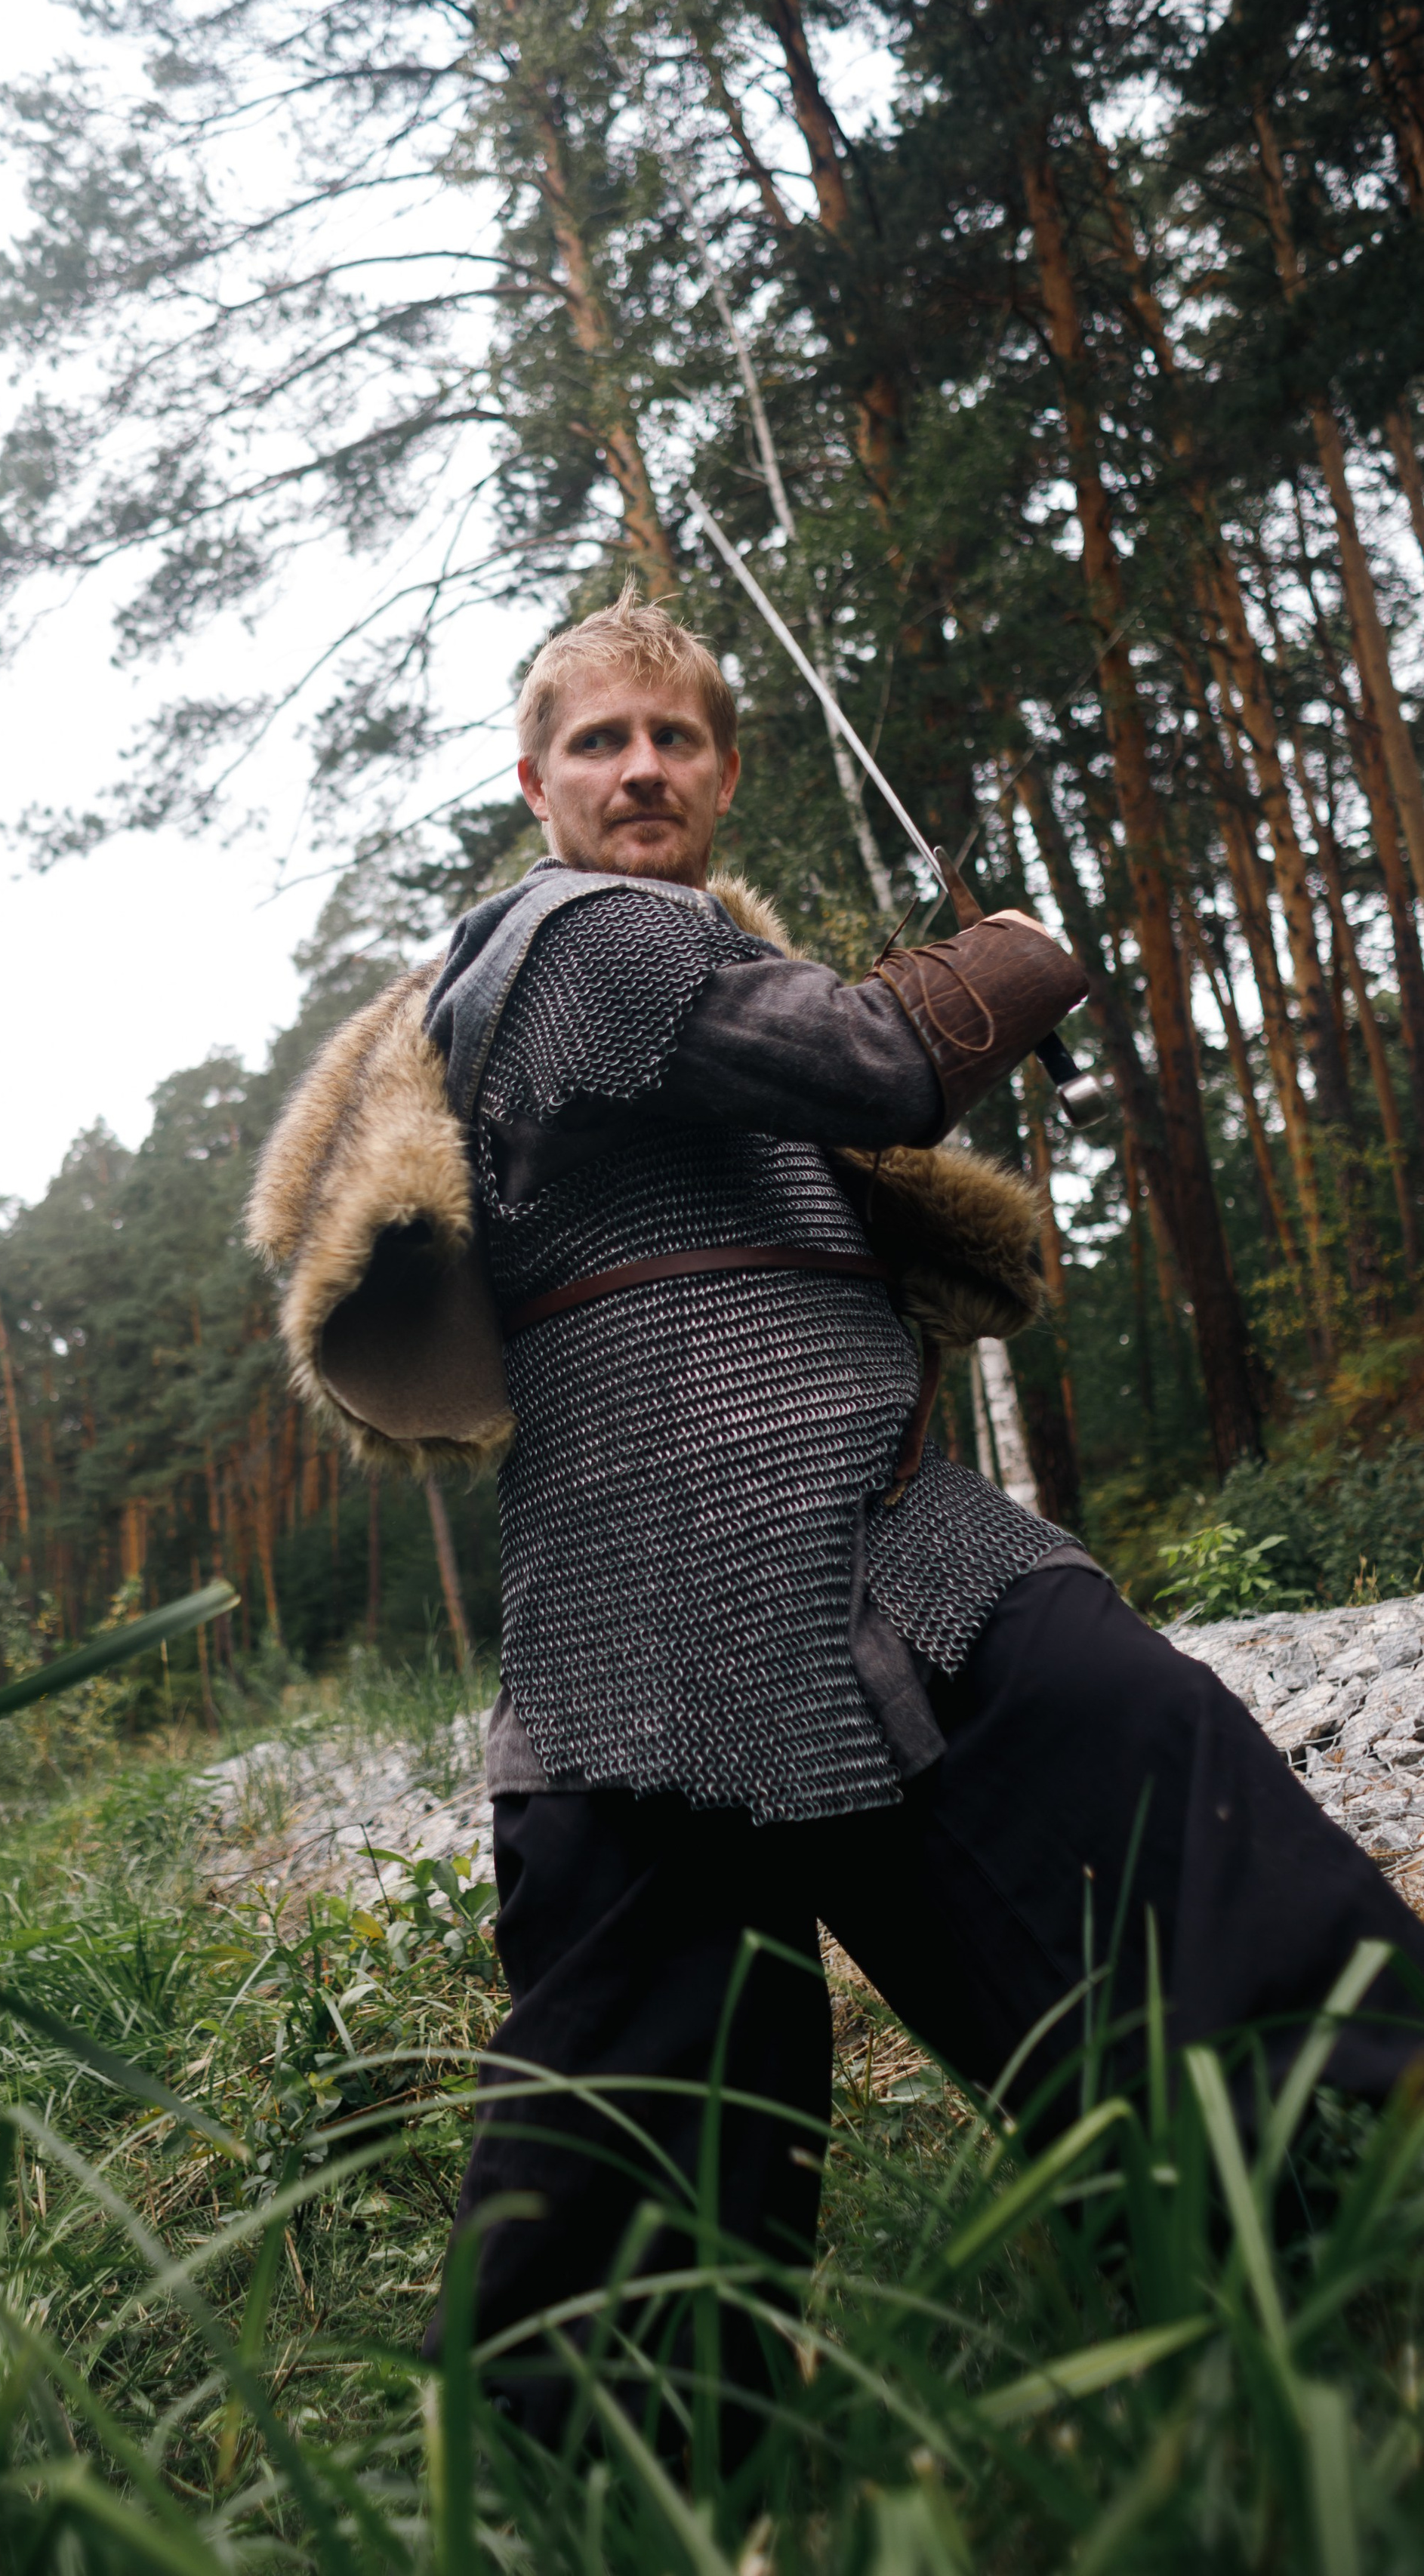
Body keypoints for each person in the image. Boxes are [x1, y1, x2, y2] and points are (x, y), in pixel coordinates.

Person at [245, 584, 1424, 2430]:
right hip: (644, 1616)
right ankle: (604, 2530)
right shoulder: (566, 940)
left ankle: (1346, 2277)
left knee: (1157, 1801)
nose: (639, 771)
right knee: (640, 2158)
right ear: (534, 783)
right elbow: (878, 1063)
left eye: (674, 739)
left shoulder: (693, 976)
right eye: (598, 741)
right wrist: (1016, 951)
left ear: (720, 769)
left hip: (886, 1547)